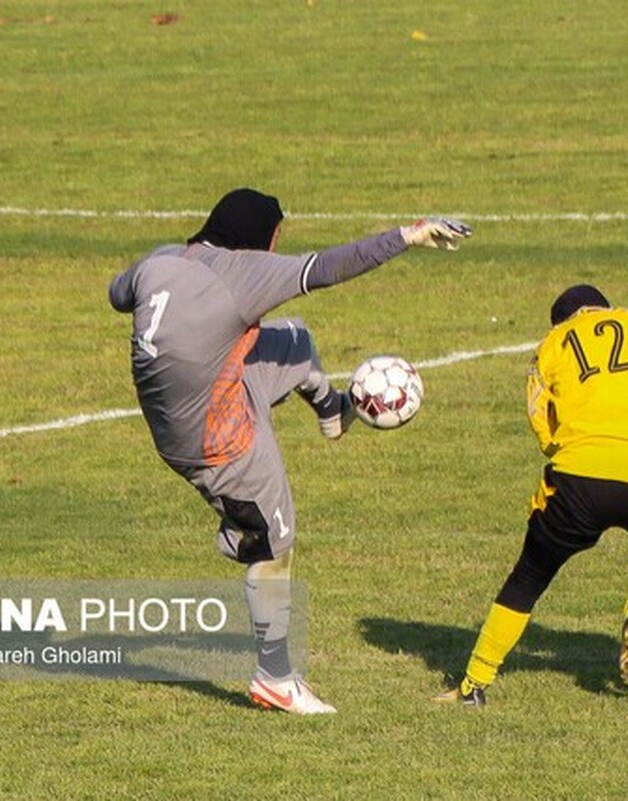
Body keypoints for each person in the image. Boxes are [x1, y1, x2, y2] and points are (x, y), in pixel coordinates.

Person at [108, 188, 470, 714]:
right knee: (277, 539)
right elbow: (329, 267)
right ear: (258, 237)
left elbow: (117, 294)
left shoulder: (163, 260)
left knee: (292, 341)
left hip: (194, 402)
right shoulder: (245, 274)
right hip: (216, 439)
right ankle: (274, 676)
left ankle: (334, 411)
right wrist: (408, 236)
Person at [436, 284, 628, 707]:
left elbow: (541, 422)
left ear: (563, 321)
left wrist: (568, 455)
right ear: (602, 309)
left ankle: (473, 685)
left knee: (529, 577)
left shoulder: (551, 346)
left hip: (580, 481)